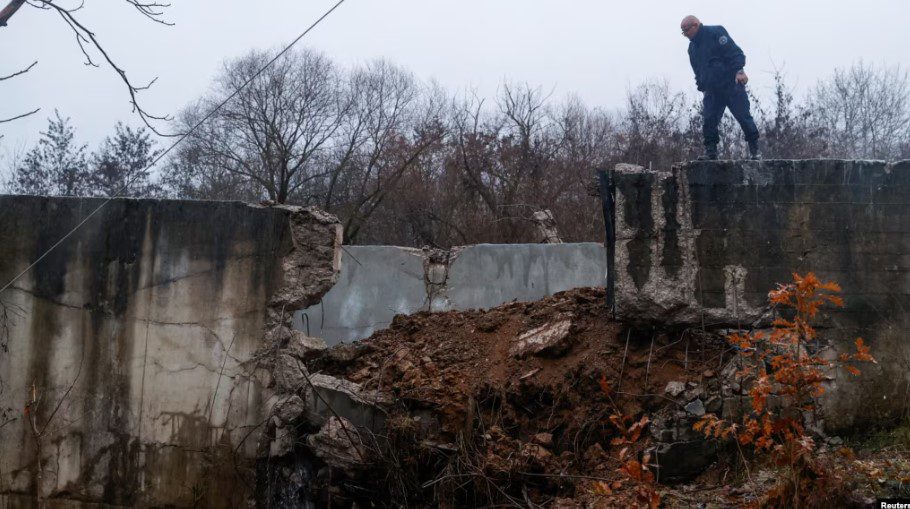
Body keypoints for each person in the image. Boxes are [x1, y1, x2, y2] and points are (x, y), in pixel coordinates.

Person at [681, 15, 761, 160]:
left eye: (686, 30)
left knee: (743, 116)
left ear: (696, 25)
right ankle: (711, 152)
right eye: (683, 32)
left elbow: (735, 53)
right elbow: (697, 69)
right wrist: (701, 84)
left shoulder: (716, 32)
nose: (685, 34)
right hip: (712, 90)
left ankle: (755, 150)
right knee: (709, 120)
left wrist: (739, 70)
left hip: (731, 85)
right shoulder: (692, 48)